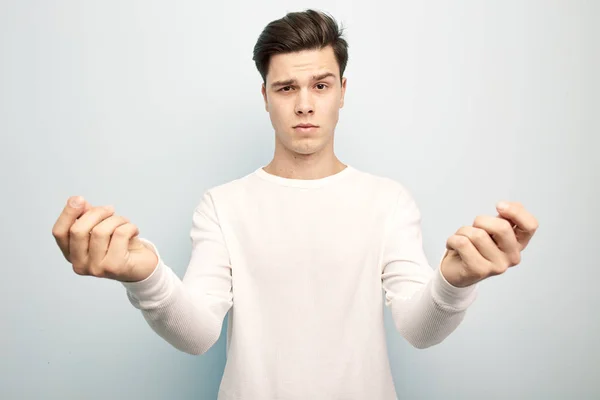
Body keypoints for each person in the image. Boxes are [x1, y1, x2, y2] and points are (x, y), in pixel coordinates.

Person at [51, 9, 539, 400]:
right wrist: (145, 276)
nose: (304, 103)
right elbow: (198, 332)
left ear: (341, 93)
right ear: (265, 96)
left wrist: (455, 282)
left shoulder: (387, 201)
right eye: (287, 88)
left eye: (320, 85)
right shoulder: (223, 204)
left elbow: (418, 328)